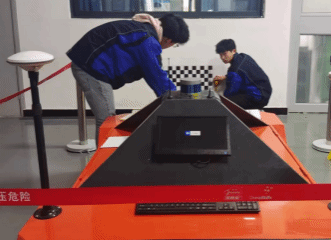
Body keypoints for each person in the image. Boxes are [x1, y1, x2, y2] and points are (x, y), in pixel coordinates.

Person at [67, 13, 189, 144]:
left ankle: (108, 153)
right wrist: (178, 101)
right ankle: (105, 156)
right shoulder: (147, 40)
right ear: (169, 40)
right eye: (175, 44)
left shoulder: (144, 29)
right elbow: (157, 76)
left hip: (90, 62)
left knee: (108, 119)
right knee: (107, 120)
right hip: (90, 67)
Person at [214, 38, 272, 109]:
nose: (222, 57)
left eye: (224, 53)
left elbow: (230, 92)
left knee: (228, 101)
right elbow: (243, 73)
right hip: (265, 91)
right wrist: (226, 76)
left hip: (259, 97)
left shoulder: (234, 70)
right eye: (220, 55)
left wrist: (220, 100)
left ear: (233, 51)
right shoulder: (243, 56)